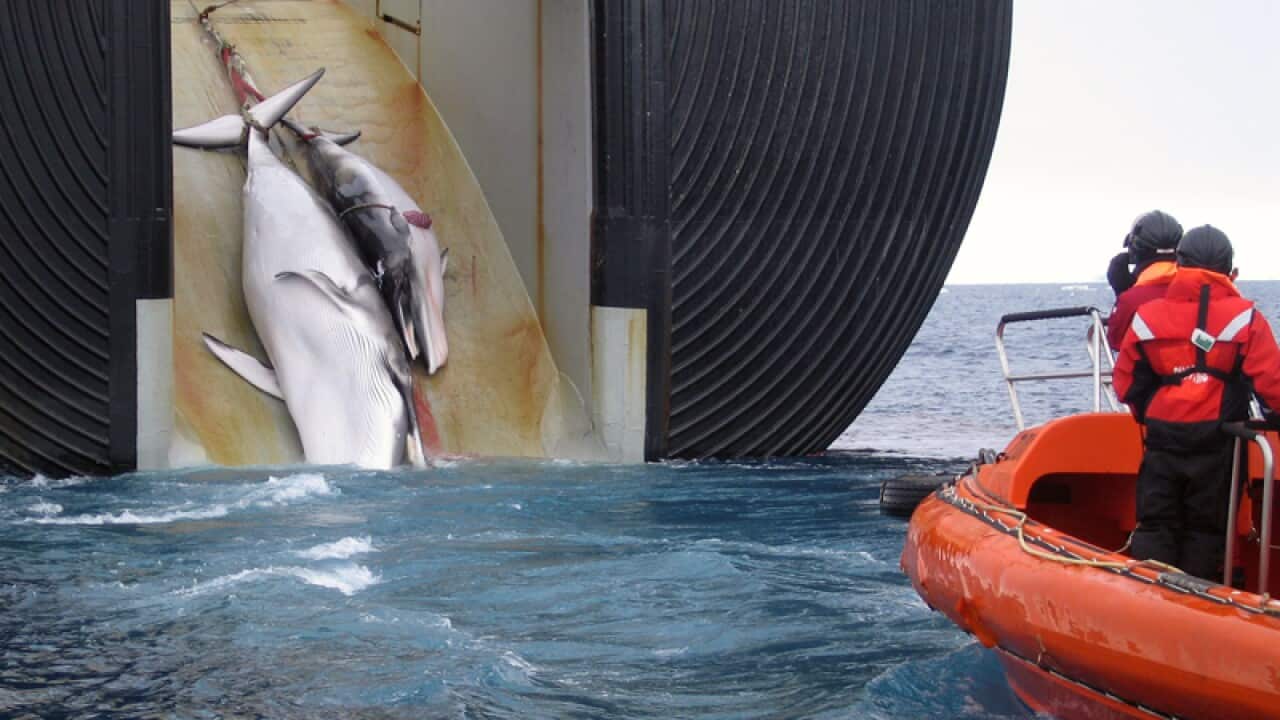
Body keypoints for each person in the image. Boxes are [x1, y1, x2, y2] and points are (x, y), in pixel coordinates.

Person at [1113, 226, 1280, 580]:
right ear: (1228, 267)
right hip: (1218, 440)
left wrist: (1153, 411)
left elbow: (1126, 383)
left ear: (1180, 263)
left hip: (1162, 438)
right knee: (1205, 529)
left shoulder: (1149, 316)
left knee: (1157, 522)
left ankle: (1146, 602)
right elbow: (1272, 384)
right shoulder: (1245, 317)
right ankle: (1196, 608)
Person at [1105, 210, 1183, 349]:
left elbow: (1116, 341)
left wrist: (1122, 293)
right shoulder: (1202, 292)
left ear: (1135, 253)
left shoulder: (1132, 301)